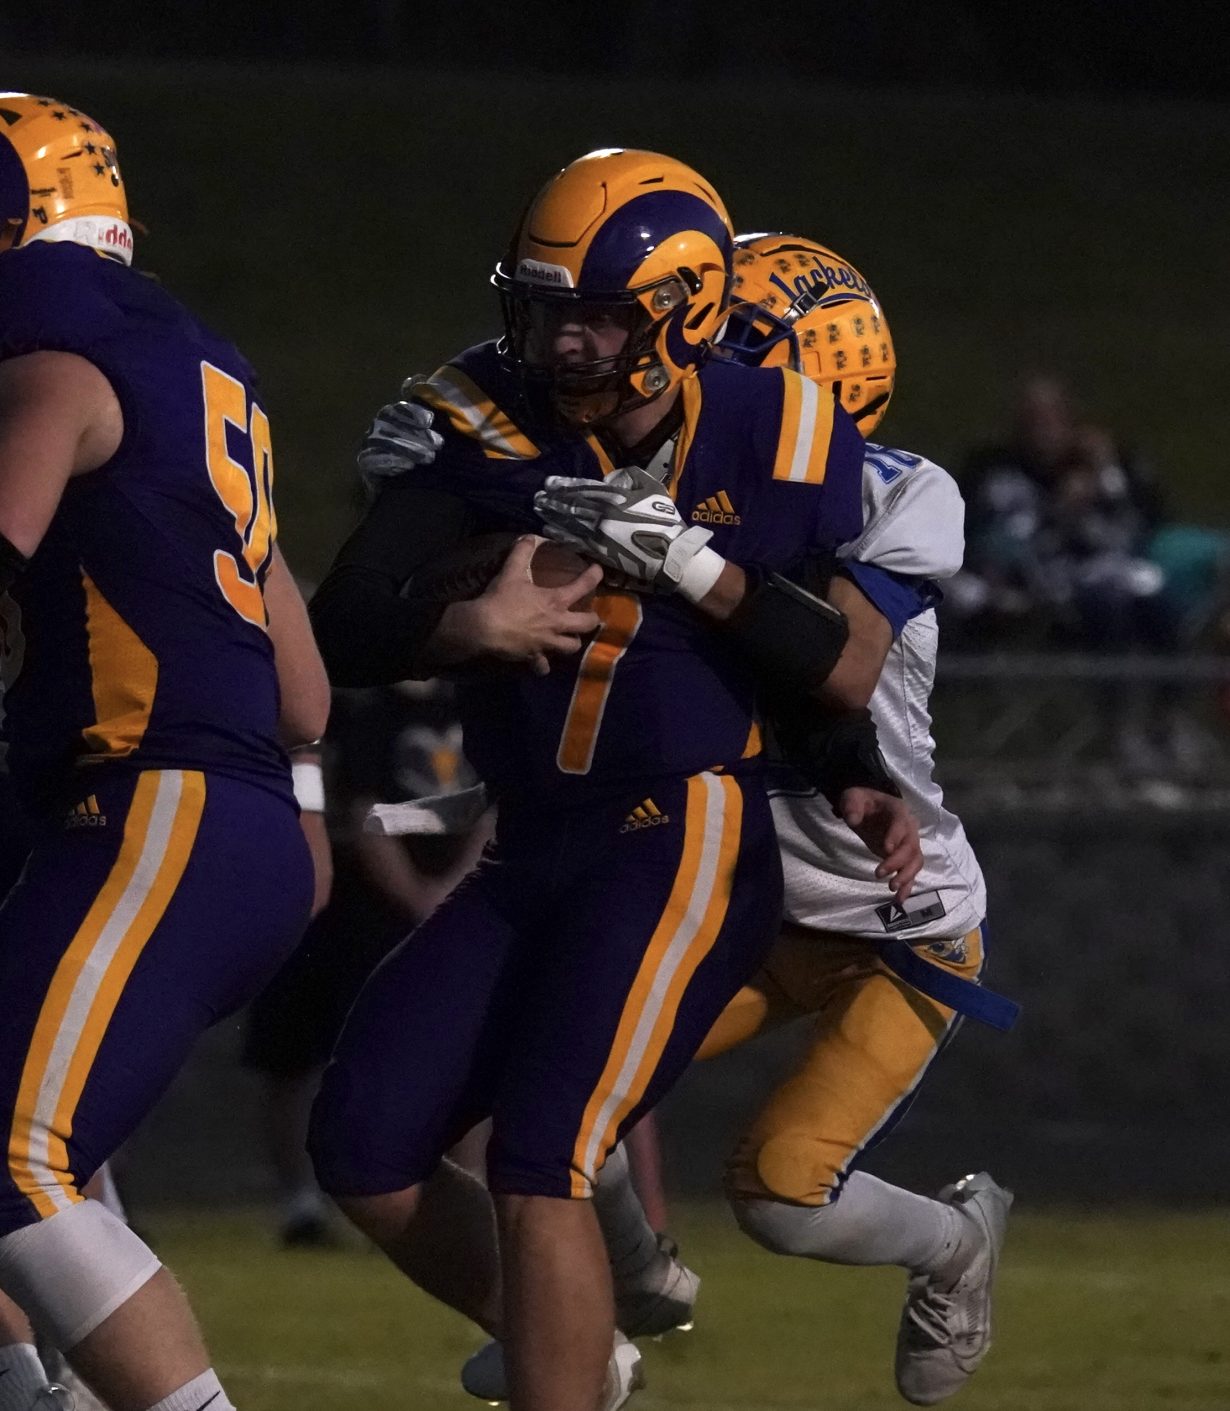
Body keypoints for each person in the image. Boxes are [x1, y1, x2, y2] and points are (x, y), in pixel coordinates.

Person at [307, 148, 919, 1411]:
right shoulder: (477, 406)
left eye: (596, 316)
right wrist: (460, 626)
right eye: (543, 311)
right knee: (363, 1140)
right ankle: (584, 1355)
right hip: (529, 838)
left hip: (683, 829)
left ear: (687, 314)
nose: (565, 343)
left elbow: (816, 661)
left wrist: (846, 764)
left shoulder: (783, 425)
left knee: (544, 1156)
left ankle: (564, 1373)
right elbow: (346, 622)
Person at [0, 94, 328, 1411]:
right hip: (216, 818)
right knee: (44, 1147)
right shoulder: (186, 369)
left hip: (153, 809)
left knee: (13, 1154)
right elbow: (303, 691)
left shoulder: (57, 353)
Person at [242, 678, 489, 1247]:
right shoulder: (356, 709)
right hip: (357, 918)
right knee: (307, 1057)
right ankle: (311, 1202)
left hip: (458, 905)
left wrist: (452, 887)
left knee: (460, 1057)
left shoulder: (475, 700)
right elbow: (365, 817)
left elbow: (492, 807)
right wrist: (424, 896)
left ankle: (462, 1195)